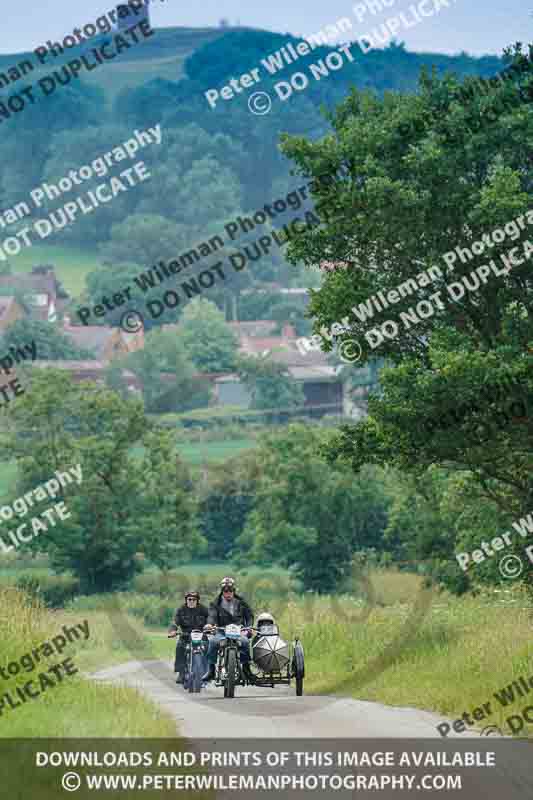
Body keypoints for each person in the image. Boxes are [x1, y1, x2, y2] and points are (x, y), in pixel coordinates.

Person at [202, 576, 254, 682]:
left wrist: (248, 627)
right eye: (225, 591)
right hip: (222, 632)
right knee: (212, 642)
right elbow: (211, 616)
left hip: (239, 631)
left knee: (245, 642)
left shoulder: (242, 603)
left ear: (234, 591)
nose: (228, 593)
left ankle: (246, 669)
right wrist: (209, 625)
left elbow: (249, 616)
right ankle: (211, 670)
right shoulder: (215, 604)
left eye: (230, 590)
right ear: (222, 592)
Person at [167, 590, 209, 684]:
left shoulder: (204, 609)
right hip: (185, 635)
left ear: (197, 600)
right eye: (189, 599)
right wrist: (173, 631)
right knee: (180, 647)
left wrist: (210, 626)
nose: (191, 601)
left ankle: (207, 673)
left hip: (201, 635)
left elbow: (210, 619)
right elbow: (175, 621)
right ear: (186, 600)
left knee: (207, 648)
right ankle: (181, 672)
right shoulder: (181, 609)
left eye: (194, 599)